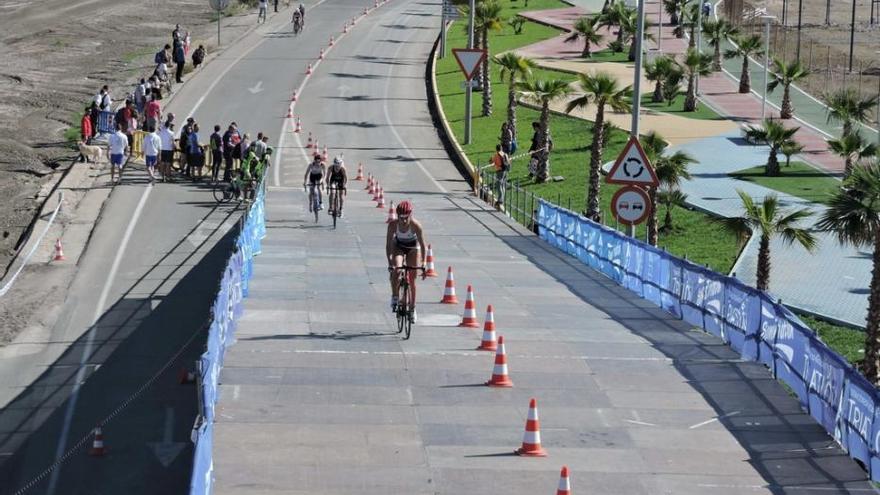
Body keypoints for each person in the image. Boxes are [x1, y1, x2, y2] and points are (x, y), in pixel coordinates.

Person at [385, 200, 427, 322]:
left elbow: (423, 246)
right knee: (397, 271)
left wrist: (424, 264)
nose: (403, 221)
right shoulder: (393, 225)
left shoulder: (416, 225)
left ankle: (412, 309)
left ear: (410, 215)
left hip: (413, 249)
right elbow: (388, 245)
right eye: (401, 218)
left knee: (413, 279)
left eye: (406, 218)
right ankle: (395, 296)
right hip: (398, 247)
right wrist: (390, 262)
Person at [490, 144, 510, 208]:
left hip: (499, 171)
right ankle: (502, 199)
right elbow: (508, 163)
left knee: (499, 185)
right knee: (503, 185)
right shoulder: (505, 154)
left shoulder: (496, 155)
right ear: (501, 148)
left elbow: (491, 162)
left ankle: (500, 200)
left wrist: (491, 159)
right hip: (505, 171)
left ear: (496, 149)